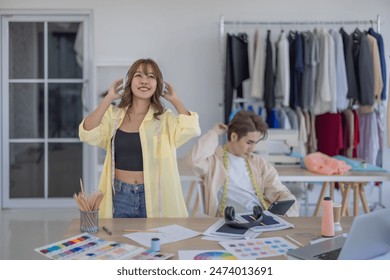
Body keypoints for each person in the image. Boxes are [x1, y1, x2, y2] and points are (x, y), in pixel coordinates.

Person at [79, 58, 201, 218]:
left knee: (154, 241)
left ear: (158, 84)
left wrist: (175, 100)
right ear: (129, 82)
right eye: (139, 75)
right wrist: (109, 98)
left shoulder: (164, 118)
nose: (144, 81)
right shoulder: (114, 115)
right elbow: (87, 132)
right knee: (119, 242)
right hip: (120, 195)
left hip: (154, 195)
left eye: (151, 77)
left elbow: (191, 129)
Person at [185, 110, 299, 217]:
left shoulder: (259, 163)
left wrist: (287, 206)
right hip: (227, 221)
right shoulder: (213, 162)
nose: (252, 148)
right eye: (249, 142)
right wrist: (214, 133)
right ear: (234, 136)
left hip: (258, 220)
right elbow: (193, 160)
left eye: (255, 143)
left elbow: (279, 191)